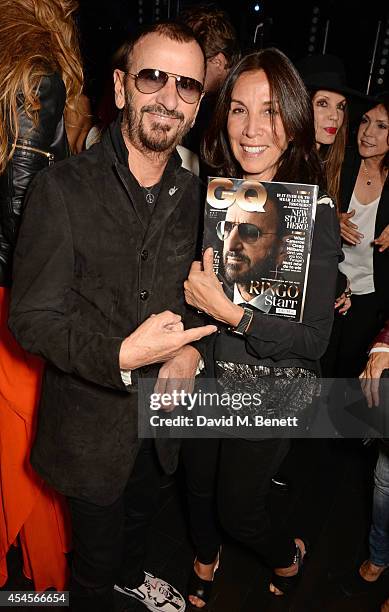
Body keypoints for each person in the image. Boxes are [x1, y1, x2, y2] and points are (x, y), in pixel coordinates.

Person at [8, 21, 216, 612]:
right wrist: (118, 357)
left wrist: (191, 349)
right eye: (154, 77)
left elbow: (207, 302)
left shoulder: (204, 202)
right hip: (89, 432)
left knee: (141, 524)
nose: (169, 97)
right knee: (93, 564)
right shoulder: (61, 189)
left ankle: (133, 577)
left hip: (162, 423)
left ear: (198, 105)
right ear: (122, 89)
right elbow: (31, 317)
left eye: (187, 85)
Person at [182, 47, 342, 607]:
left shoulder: (313, 212)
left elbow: (313, 340)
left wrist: (231, 314)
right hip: (210, 373)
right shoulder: (215, 194)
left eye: (270, 111)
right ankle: (205, 555)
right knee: (196, 484)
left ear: (293, 120)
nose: (252, 129)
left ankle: (287, 556)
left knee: (239, 508)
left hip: (276, 384)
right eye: (238, 110)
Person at [0, 0, 83, 591]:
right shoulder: (33, 66)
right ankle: (47, 587)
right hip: (11, 295)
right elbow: (21, 209)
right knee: (29, 457)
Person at [328, 93, 389, 377]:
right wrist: (331, 220)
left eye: (381, 126)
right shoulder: (341, 162)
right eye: (366, 121)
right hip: (330, 285)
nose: (367, 132)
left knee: (348, 380)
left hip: (371, 298)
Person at [177, 3, 240, 160]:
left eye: (195, 64)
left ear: (218, 62)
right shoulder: (209, 99)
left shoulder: (235, 103)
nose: (186, 75)